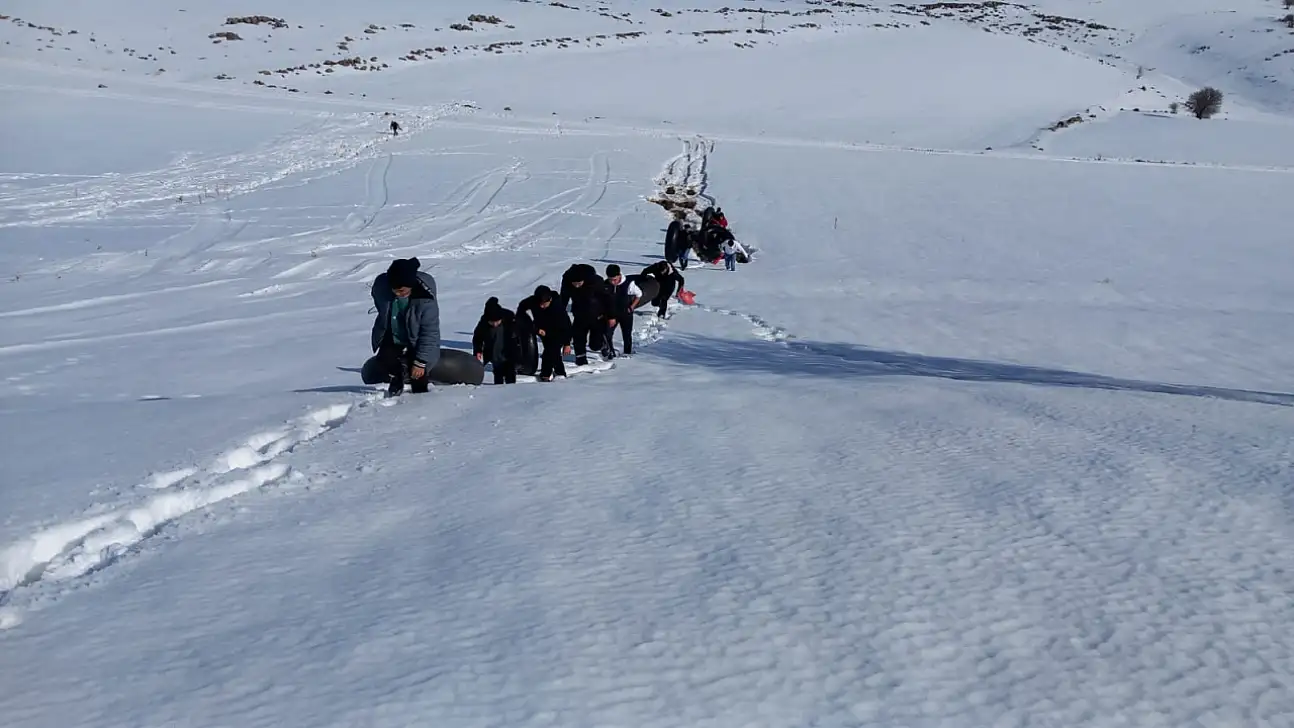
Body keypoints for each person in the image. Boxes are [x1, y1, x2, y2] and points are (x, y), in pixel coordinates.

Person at [365, 257, 440, 396]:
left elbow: (430, 333)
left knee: (417, 374)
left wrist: (420, 362)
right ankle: (396, 381)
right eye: (395, 290)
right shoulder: (381, 287)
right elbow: (380, 304)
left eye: (403, 290)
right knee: (385, 360)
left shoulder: (426, 300)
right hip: (393, 334)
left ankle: (422, 402)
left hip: (416, 338)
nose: (399, 294)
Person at [558, 263, 613, 365]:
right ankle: (581, 359)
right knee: (578, 338)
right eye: (575, 283)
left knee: (594, 345)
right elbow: (563, 299)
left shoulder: (596, 282)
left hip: (597, 316)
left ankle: (603, 345)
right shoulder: (567, 283)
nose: (577, 285)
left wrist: (611, 316)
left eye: (579, 283)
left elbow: (607, 299)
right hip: (579, 315)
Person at [524, 285, 573, 381]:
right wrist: (537, 329)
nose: (541, 306)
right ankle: (551, 373)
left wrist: (567, 344)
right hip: (544, 333)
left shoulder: (558, 308)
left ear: (550, 300)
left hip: (559, 333)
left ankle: (555, 374)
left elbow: (566, 326)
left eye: (544, 304)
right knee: (550, 352)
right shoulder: (536, 305)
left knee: (551, 352)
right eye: (540, 304)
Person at [472, 297, 522, 384]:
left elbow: (520, 333)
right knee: (498, 378)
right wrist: (478, 350)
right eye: (492, 322)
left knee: (510, 377)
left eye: (497, 322)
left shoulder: (510, 319)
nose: (495, 324)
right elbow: (477, 338)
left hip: (509, 355)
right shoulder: (483, 324)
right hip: (495, 357)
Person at [604, 264, 642, 357]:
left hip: (626, 313)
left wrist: (632, 307)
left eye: (615, 279)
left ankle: (627, 352)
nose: (613, 282)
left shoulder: (629, 283)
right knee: (607, 333)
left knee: (627, 334)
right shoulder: (606, 284)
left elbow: (639, 294)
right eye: (610, 279)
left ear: (619, 275)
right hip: (612, 314)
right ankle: (610, 351)